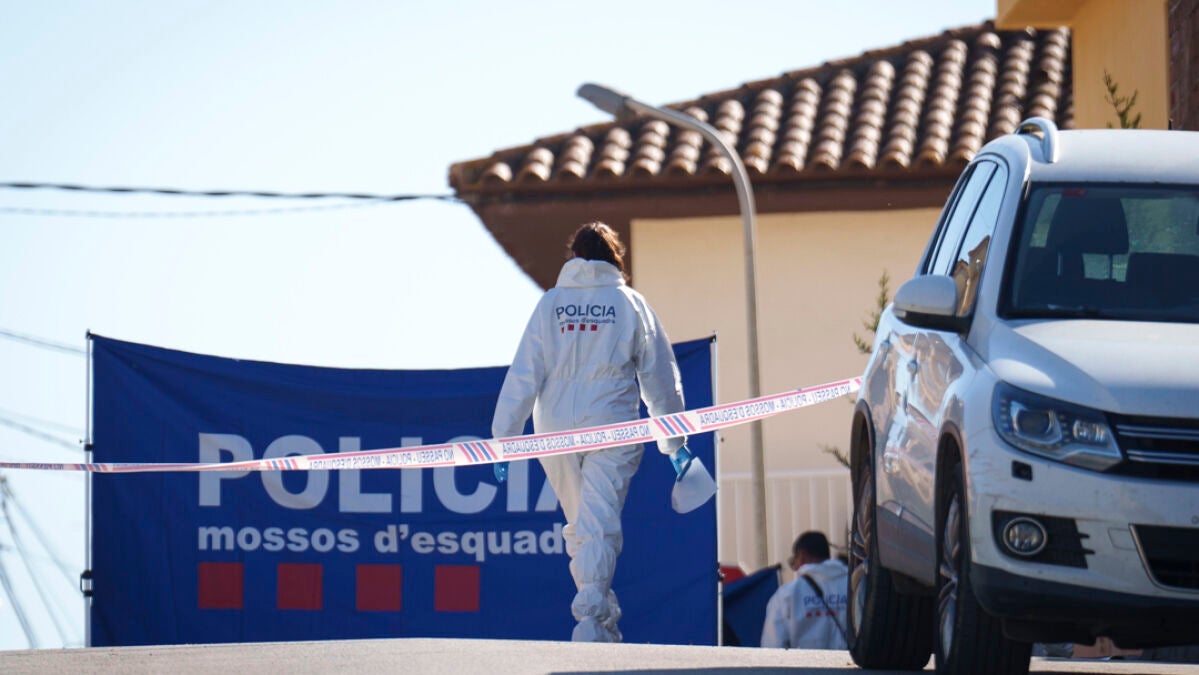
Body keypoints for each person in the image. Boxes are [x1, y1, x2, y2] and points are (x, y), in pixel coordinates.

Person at [491, 221, 690, 643]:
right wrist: (673, 442)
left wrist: (503, 440)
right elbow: (659, 377)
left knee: (583, 524)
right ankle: (593, 618)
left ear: (574, 255)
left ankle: (599, 614)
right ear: (615, 256)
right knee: (597, 521)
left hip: (554, 428)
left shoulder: (551, 304)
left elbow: (524, 374)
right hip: (610, 423)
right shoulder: (629, 303)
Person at [760, 531, 849, 650]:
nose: (795, 567)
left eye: (794, 561)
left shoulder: (788, 594)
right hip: (848, 661)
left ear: (802, 556)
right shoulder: (854, 588)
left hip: (805, 662)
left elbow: (773, 646)